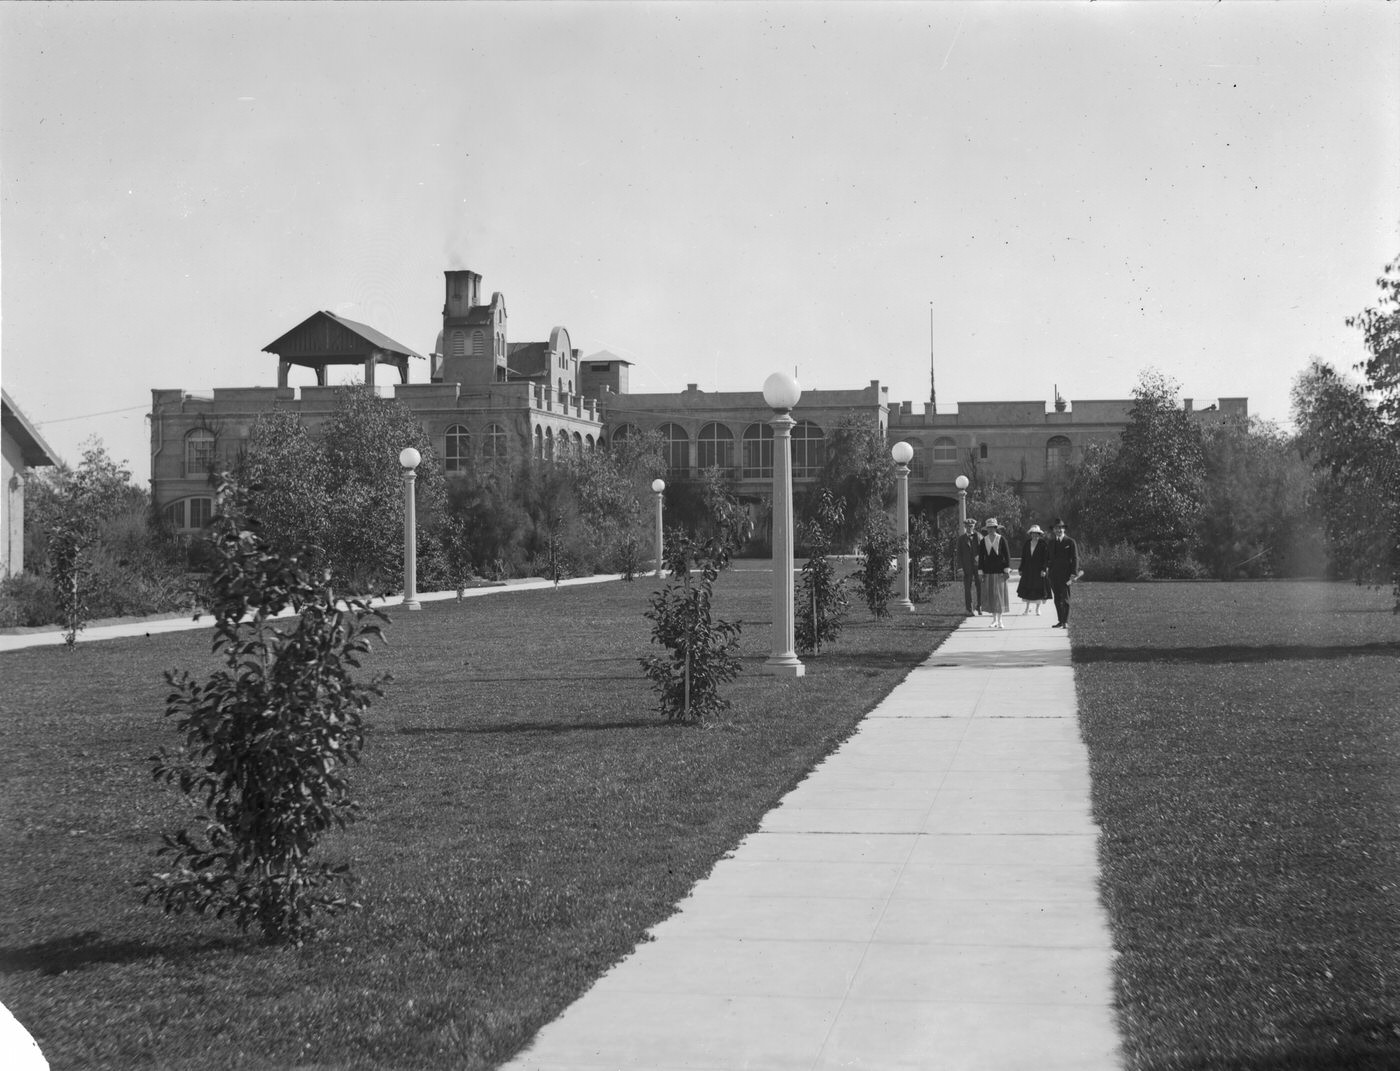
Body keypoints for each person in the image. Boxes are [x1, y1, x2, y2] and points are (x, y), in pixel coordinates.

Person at [1046, 517, 1082, 629]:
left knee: (1065, 599)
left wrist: (1074, 573)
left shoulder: (1070, 542)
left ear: (1064, 529)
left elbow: (1075, 558)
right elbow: (1048, 558)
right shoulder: (1051, 542)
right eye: (1056, 528)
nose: (1059, 530)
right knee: (1057, 598)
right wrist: (1047, 570)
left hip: (1066, 575)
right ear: (1053, 530)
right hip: (1053, 575)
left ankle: (1065, 621)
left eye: (1061, 528)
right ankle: (1060, 621)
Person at [975, 517, 1011, 629]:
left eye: (992, 527)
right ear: (987, 529)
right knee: (991, 596)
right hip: (988, 571)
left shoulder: (1001, 539)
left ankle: (1000, 620)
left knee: (999, 596)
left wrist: (1006, 570)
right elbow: (981, 558)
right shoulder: (983, 540)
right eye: (989, 528)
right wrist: (980, 572)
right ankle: (994, 620)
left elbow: (1007, 555)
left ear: (996, 528)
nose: (991, 529)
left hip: (1000, 572)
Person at [1016, 524, 1051, 615]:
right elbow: (1023, 557)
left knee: (1038, 590)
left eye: (1037, 534)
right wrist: (1021, 569)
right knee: (1028, 589)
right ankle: (1027, 609)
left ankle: (1037, 609)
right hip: (1028, 570)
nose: (1035, 535)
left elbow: (1046, 558)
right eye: (1033, 533)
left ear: (1039, 534)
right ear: (1031, 534)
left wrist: (1044, 569)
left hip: (1039, 571)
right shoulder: (1027, 543)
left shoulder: (1043, 544)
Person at [952, 517, 982, 616]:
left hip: (978, 566)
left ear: (974, 526)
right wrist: (960, 568)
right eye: (967, 526)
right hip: (966, 566)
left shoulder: (979, 536)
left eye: (971, 526)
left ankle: (979, 606)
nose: (969, 528)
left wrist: (981, 562)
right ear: (965, 527)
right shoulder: (961, 539)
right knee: (967, 587)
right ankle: (969, 609)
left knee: (980, 586)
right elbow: (959, 554)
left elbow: (983, 552)